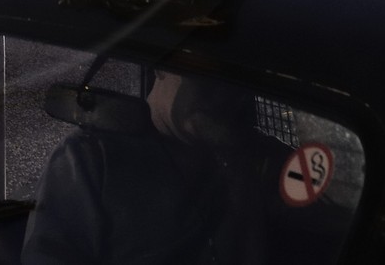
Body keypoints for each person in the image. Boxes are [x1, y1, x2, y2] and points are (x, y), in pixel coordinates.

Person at [22, 71, 259, 264]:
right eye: (205, 78)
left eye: (236, 87)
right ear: (163, 69)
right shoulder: (92, 156)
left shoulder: (254, 163)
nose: (223, 96)